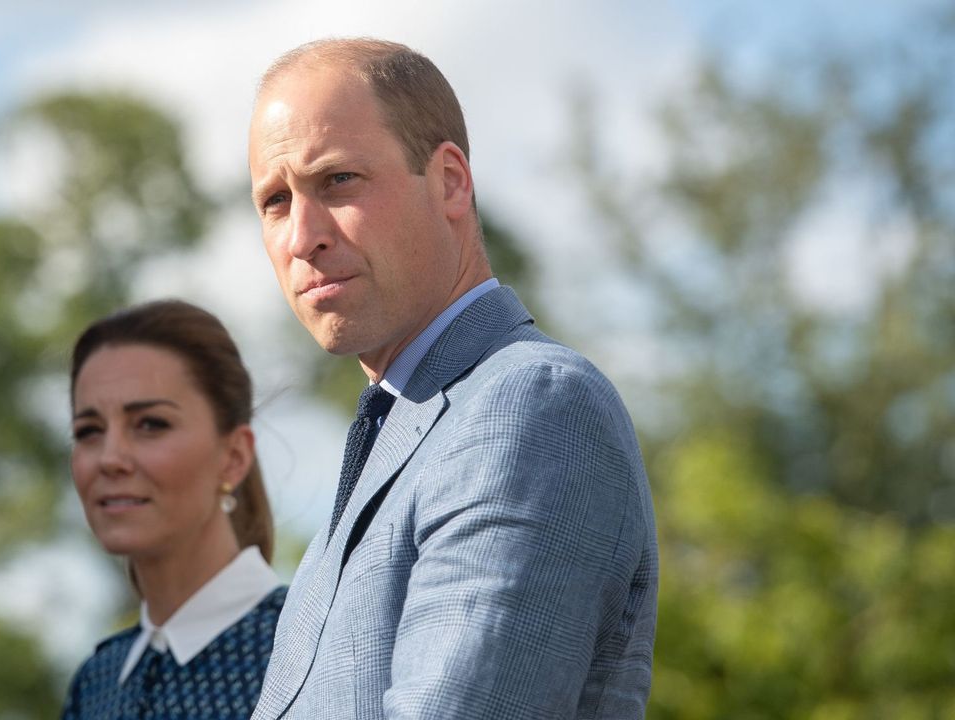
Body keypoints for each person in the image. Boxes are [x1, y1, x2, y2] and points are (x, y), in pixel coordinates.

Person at [247, 38, 658, 719]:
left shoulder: (529, 407)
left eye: (338, 181)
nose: (302, 236)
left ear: (450, 182)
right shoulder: (396, 437)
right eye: (275, 202)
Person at [61, 300, 286, 719]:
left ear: (234, 456)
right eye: (88, 431)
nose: (110, 458)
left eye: (151, 424)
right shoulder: (95, 684)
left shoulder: (307, 648)